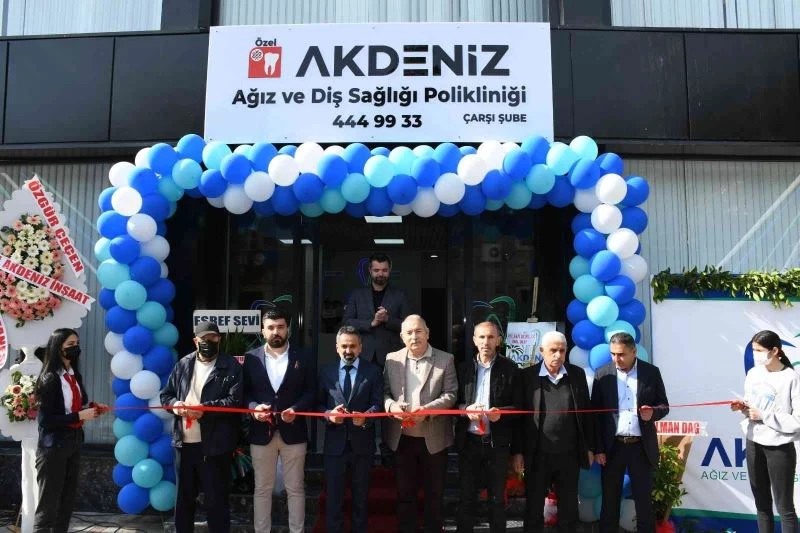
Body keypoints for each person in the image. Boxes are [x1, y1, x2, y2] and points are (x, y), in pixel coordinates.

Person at [161, 321, 243, 533]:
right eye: (204, 339)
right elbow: (166, 395)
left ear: (219, 339)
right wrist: (175, 405)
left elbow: (234, 401)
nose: (208, 342)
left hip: (215, 446)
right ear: (195, 341)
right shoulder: (183, 364)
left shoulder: (231, 366)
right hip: (183, 444)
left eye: (213, 338)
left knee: (216, 501)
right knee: (183, 500)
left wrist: (205, 409)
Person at [511, 331, 594, 533]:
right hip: (538, 453)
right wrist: (518, 451)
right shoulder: (527, 376)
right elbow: (518, 418)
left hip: (569, 453)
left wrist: (590, 447)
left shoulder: (577, 375)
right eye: (553, 350)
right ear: (542, 351)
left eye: (562, 351)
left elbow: (587, 414)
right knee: (534, 506)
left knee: (569, 507)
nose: (558, 355)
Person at [242, 308, 316, 533]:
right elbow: (244, 393)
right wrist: (254, 409)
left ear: (288, 329)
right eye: (271, 327)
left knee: (295, 489)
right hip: (260, 432)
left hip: (294, 432)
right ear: (263, 331)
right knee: (262, 489)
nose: (276, 332)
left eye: (281, 327)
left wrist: (296, 409)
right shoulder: (251, 358)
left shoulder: (303, 356)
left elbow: (311, 392)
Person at [383, 314, 457, 533]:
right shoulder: (391, 359)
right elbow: (384, 392)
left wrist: (427, 411)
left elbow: (451, 394)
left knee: (435, 494)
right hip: (402, 438)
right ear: (401, 336)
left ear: (427, 333)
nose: (414, 336)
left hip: (434, 439)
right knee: (405, 494)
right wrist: (391, 407)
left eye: (418, 331)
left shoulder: (445, 359)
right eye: (409, 332)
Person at [591, 332, 669, 533]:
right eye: (613, 354)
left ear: (634, 351)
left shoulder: (651, 372)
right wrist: (598, 448)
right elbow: (595, 416)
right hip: (612, 447)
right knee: (610, 500)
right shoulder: (602, 374)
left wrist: (653, 413)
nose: (616, 359)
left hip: (641, 447)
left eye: (621, 354)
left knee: (644, 501)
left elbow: (664, 405)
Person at [33, 328, 108, 533]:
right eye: (70, 345)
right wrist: (79, 416)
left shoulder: (73, 375)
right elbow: (46, 420)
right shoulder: (50, 378)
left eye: (77, 344)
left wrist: (92, 408)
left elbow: (73, 407)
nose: (76, 348)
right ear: (58, 348)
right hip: (54, 446)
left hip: (73, 441)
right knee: (48, 503)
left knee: (66, 502)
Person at [731, 330, 800, 532]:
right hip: (753, 442)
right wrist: (743, 407)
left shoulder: (791, 377)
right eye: (753, 350)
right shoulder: (754, 373)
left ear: (775, 351)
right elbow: (752, 405)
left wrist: (763, 415)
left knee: (785, 507)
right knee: (762, 505)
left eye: (759, 350)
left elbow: (797, 421)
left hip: (779, 447)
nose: (755, 355)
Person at [455, 321, 520, 533]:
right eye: (481, 337)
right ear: (474, 340)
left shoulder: (510, 369)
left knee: (497, 499)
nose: (486, 342)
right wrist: (466, 409)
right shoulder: (463, 368)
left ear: (499, 340)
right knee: (466, 497)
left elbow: (519, 407)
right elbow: (453, 403)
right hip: (469, 443)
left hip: (497, 444)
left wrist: (501, 413)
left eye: (491, 337)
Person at [318, 326, 383, 533]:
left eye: (353, 346)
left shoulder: (373, 371)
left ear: (360, 347)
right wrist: (329, 415)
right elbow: (317, 405)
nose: (348, 351)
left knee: (361, 499)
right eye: (344, 346)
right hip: (334, 446)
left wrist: (365, 418)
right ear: (337, 347)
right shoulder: (326, 372)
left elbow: (378, 404)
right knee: (333, 500)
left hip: (362, 446)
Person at [343, 252, 410, 367]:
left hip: (392, 355)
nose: (380, 273)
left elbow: (408, 325)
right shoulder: (357, 295)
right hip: (362, 354)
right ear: (370, 270)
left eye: (384, 270)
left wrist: (387, 319)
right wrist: (371, 323)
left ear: (389, 270)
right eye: (376, 270)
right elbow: (346, 323)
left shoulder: (400, 295)